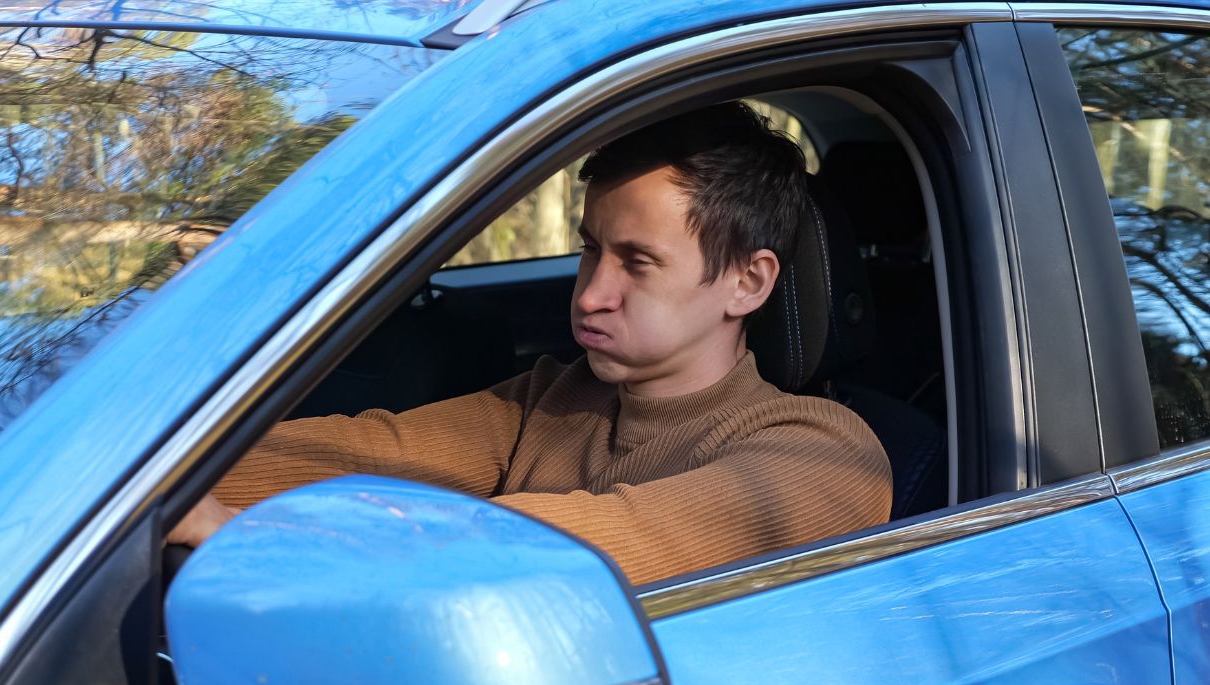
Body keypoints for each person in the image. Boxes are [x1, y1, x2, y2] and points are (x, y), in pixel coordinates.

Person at [169, 101, 892, 585]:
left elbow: (594, 539)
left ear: (747, 282)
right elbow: (369, 449)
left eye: (636, 262)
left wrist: (268, 538)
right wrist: (150, 478)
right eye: (590, 251)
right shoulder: (555, 399)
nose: (589, 293)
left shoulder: (823, 453)